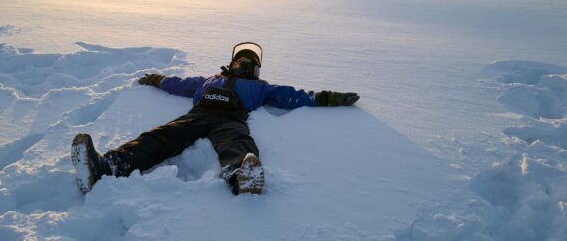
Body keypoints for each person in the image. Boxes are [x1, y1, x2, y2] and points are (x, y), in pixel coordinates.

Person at [71, 42, 360, 195]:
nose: (242, 64)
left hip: (230, 120)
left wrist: (330, 97)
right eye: (239, 60)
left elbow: (294, 95)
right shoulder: (208, 80)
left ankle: (242, 177)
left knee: (237, 143)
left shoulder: (261, 88)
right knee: (160, 137)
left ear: (255, 70)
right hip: (198, 115)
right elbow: (179, 84)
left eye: (248, 62)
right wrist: (158, 79)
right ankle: (107, 166)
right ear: (231, 63)